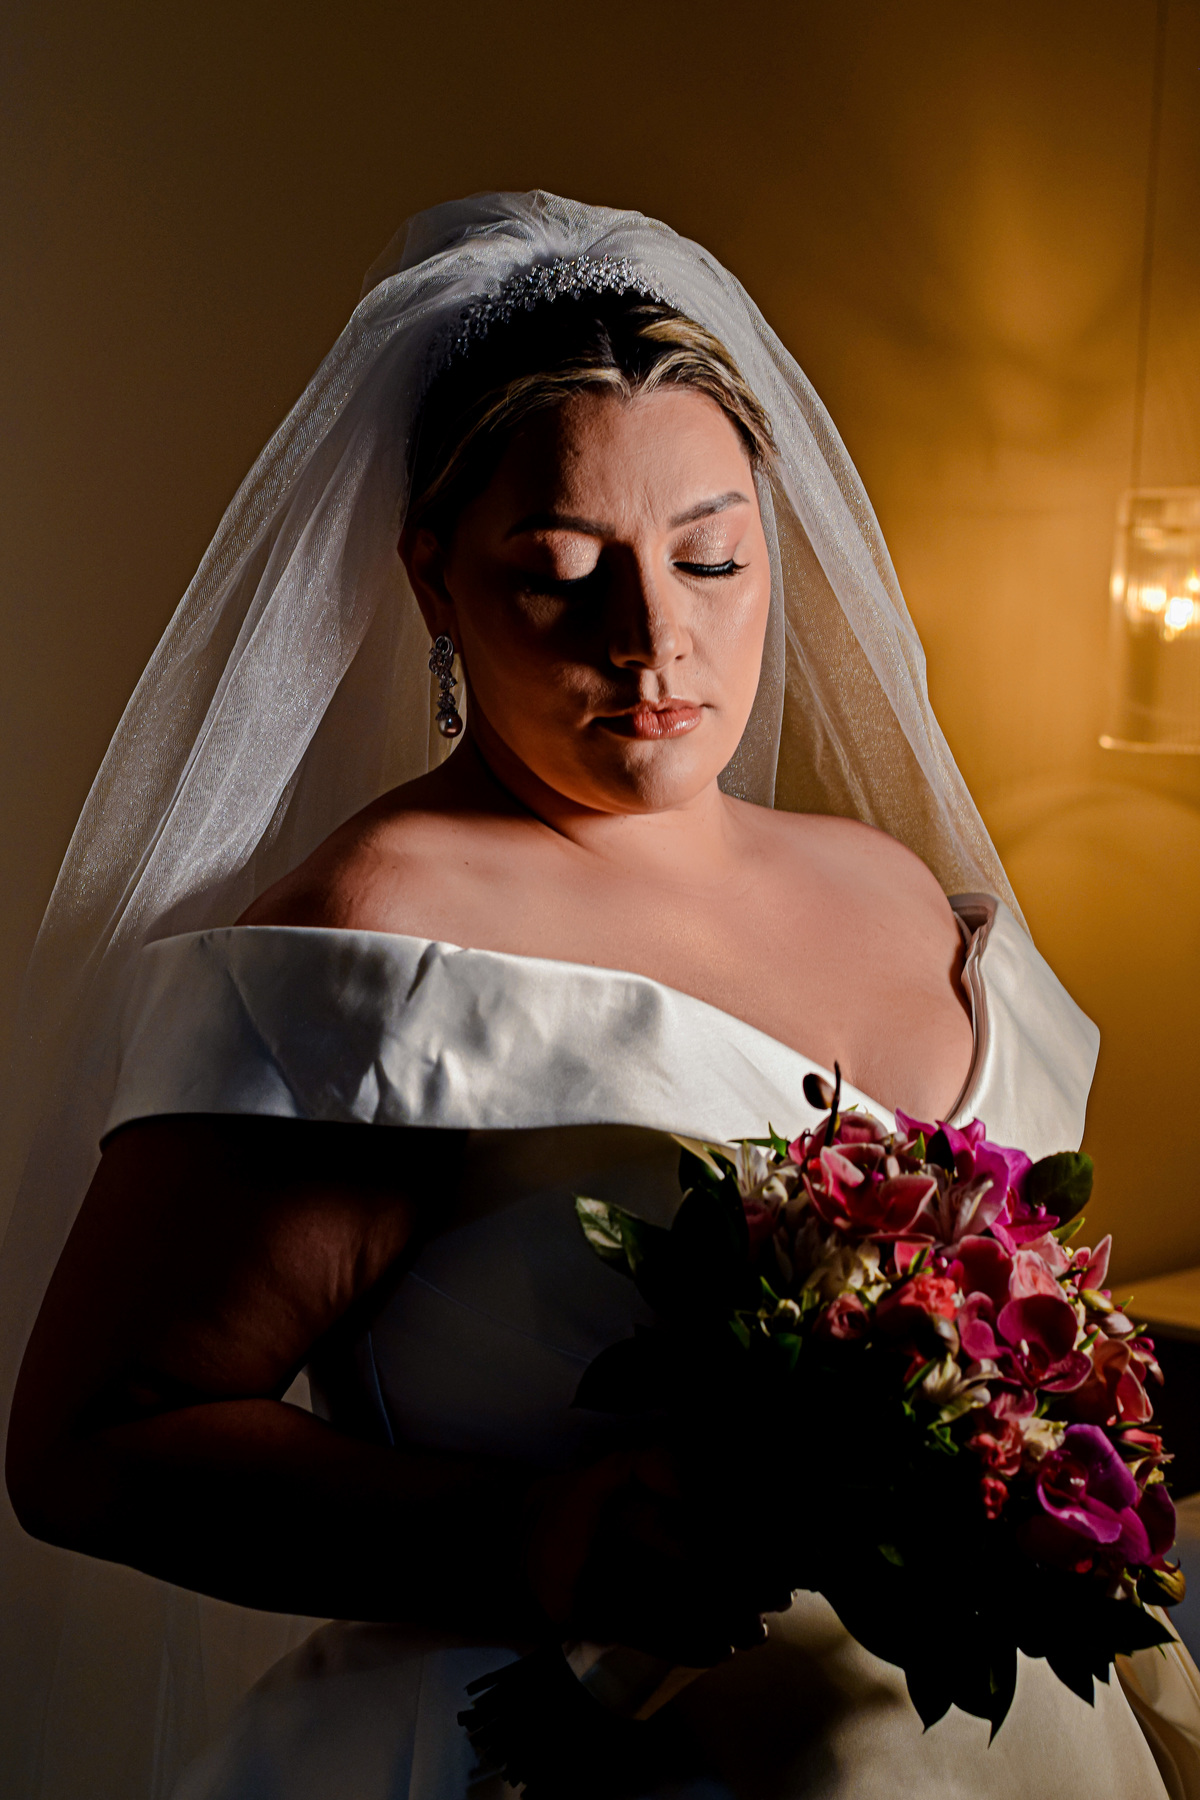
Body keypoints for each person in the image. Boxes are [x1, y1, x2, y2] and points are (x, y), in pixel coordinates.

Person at [3, 192, 1196, 1800]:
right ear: (434, 580)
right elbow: (96, 1445)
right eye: (562, 572)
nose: (656, 638)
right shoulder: (385, 941)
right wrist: (529, 1534)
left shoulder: (893, 886)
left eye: (712, 557)